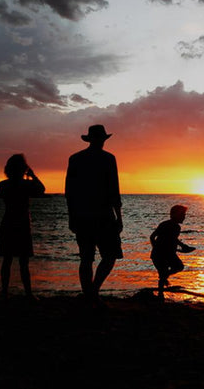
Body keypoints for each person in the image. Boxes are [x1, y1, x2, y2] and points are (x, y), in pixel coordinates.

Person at [65, 124, 123, 305]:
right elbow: (114, 190)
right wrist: (119, 217)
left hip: (83, 215)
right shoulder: (108, 159)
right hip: (102, 215)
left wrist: (71, 215)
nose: (101, 142)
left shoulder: (75, 159)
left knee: (87, 258)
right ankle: (93, 292)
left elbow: (70, 191)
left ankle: (90, 293)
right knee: (107, 256)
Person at [0, 154, 45, 300]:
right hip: (23, 224)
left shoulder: (3, 184)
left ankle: (4, 292)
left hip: (7, 223)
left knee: (7, 260)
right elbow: (41, 189)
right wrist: (32, 175)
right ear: (23, 169)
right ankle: (28, 293)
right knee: (23, 262)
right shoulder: (26, 185)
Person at [150, 204, 195, 300]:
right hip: (164, 254)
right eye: (182, 215)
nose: (184, 217)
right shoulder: (175, 227)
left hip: (161, 254)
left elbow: (170, 239)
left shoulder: (166, 224)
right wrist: (158, 249)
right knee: (178, 267)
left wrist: (183, 246)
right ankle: (161, 292)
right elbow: (170, 239)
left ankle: (160, 293)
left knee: (164, 273)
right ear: (175, 215)